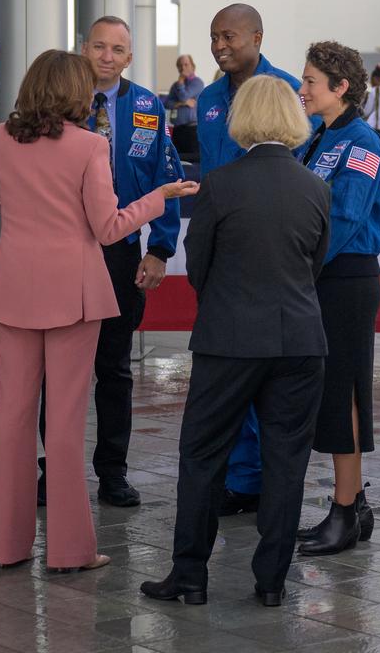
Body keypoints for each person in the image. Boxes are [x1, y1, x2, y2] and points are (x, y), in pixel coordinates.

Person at [0, 50, 198, 571]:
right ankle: (70, 552)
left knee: (12, 416)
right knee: (67, 423)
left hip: (12, 291)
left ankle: (8, 546)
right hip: (73, 294)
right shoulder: (90, 146)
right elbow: (109, 228)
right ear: (76, 92)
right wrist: (159, 195)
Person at [141, 76, 330, 608]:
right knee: (287, 460)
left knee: (203, 455)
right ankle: (271, 581)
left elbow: (197, 264)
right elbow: (313, 265)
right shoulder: (316, 188)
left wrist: (228, 301)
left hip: (228, 339)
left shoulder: (220, 184)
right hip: (299, 341)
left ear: (241, 117)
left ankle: (189, 576)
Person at [39, 16, 186, 510]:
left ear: (129, 57)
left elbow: (167, 179)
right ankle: (52, 471)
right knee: (58, 369)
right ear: (83, 49)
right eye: (98, 46)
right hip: (62, 251)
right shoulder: (58, 103)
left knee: (115, 368)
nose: (106, 56)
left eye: (117, 49)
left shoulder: (148, 107)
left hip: (120, 253)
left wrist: (160, 248)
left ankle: (112, 473)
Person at [194, 3, 308, 516]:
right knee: (230, 377)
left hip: (273, 255)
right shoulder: (209, 99)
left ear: (257, 36)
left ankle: (270, 485)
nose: (220, 46)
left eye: (230, 37)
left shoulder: (287, 91)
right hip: (225, 256)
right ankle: (242, 481)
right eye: (214, 37)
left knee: (272, 384)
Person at [296, 41, 380, 556]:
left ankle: (344, 510)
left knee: (345, 396)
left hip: (346, 281)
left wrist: (296, 269)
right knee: (330, 396)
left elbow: (348, 218)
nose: (302, 88)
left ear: (341, 88)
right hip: (319, 280)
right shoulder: (316, 138)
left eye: (311, 81)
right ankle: (352, 506)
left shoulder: (361, 143)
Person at [167, 54, 204, 161]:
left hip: (191, 129)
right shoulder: (176, 85)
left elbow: (184, 96)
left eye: (186, 64)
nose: (183, 68)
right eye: (180, 65)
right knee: (176, 159)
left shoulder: (197, 82)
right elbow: (168, 103)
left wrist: (181, 82)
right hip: (178, 129)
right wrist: (182, 104)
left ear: (193, 66)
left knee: (192, 160)